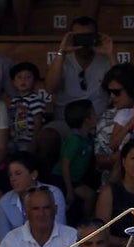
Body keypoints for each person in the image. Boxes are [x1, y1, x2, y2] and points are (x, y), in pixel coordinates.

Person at [40, 15, 113, 150]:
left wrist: (110, 54)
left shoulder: (105, 61)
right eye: (79, 37)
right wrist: (61, 52)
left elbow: (122, 85)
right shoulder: (63, 61)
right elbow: (50, 88)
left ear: (96, 37)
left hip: (99, 123)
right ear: (71, 37)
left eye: (88, 36)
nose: (84, 42)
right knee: (47, 137)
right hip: (66, 123)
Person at [0, 151, 65, 240]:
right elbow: (3, 241)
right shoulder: (4, 202)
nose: (13, 179)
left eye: (18, 173)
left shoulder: (54, 194)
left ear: (34, 174)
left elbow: (60, 230)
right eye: (10, 175)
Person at [91, 62, 134, 182]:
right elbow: (98, 159)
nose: (112, 97)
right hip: (116, 177)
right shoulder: (106, 118)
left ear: (132, 90)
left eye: (117, 92)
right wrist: (116, 158)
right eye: (110, 92)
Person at [54, 99, 97, 224]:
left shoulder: (88, 138)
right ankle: (86, 223)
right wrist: (69, 190)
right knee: (90, 195)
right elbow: (65, 165)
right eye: (93, 113)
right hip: (63, 179)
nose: (96, 116)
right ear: (86, 119)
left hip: (76, 179)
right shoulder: (74, 139)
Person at [6, 61, 50, 155]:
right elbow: (11, 119)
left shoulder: (35, 100)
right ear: (14, 82)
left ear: (34, 81)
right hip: (16, 139)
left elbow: (38, 122)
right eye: (19, 77)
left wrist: (34, 141)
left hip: (28, 141)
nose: (23, 80)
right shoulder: (14, 100)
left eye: (28, 77)